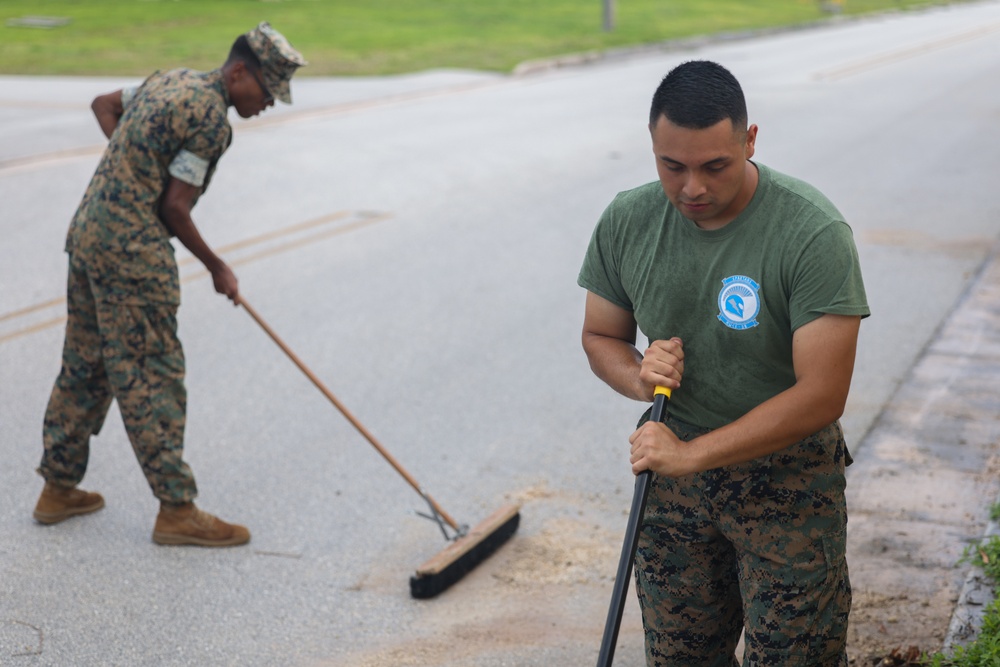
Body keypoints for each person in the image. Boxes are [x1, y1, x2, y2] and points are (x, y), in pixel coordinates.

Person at [578, 60, 869, 665]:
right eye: (672, 166)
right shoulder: (627, 220)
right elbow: (601, 335)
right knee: (683, 657)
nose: (692, 188)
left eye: (715, 166)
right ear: (653, 148)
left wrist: (691, 456)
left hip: (787, 480)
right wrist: (639, 375)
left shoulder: (811, 231)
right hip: (673, 481)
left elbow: (822, 394)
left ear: (750, 140)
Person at [33, 22, 306, 547]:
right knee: (153, 375)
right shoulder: (210, 120)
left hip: (89, 236)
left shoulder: (170, 82)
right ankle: (177, 510)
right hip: (133, 256)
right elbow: (174, 208)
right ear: (238, 70)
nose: (270, 101)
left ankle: (57, 488)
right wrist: (217, 266)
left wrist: (134, 169)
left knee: (86, 364)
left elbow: (102, 104)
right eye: (267, 89)